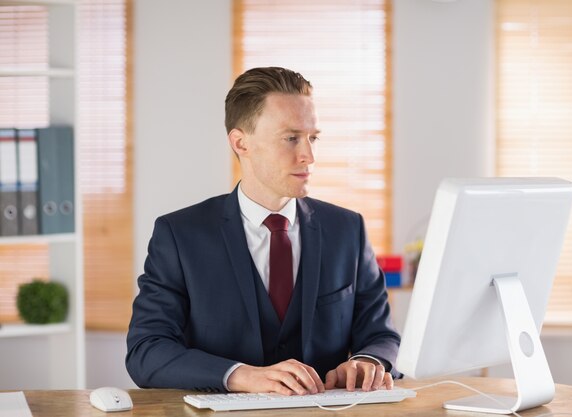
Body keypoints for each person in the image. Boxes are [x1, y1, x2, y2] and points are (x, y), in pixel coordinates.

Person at [126, 67, 401, 395]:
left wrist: (368, 362)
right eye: (291, 138)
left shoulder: (347, 229)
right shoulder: (179, 235)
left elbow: (380, 335)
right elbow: (147, 351)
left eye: (312, 138)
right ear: (241, 143)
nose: (309, 156)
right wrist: (241, 376)